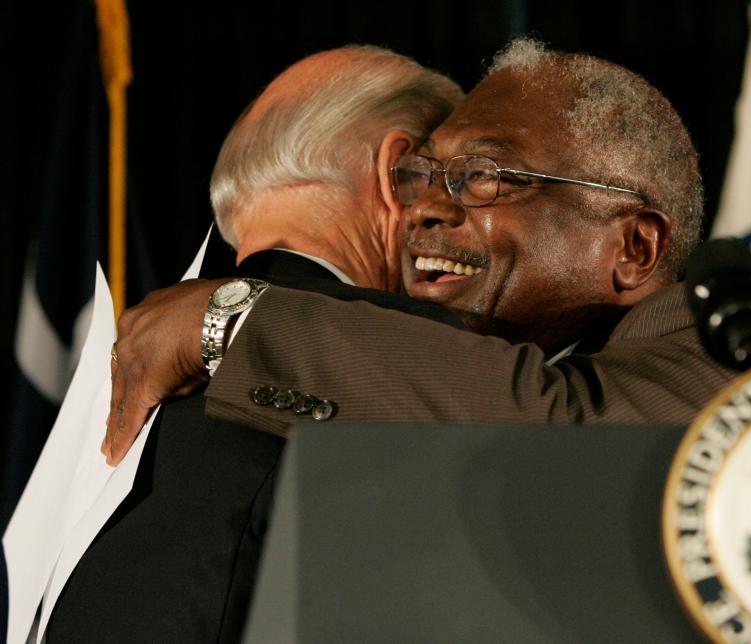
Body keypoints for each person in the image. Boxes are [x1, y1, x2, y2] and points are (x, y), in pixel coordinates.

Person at [104, 38, 751, 460]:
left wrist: (236, 321)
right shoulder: (444, 387)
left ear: (634, 248)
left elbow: (565, 440)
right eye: (420, 175)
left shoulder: (745, 332)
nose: (422, 208)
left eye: (482, 176)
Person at [43, 46, 463, 642]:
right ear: (396, 173)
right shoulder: (403, 354)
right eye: (451, 179)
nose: (458, 215)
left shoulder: (116, 380)